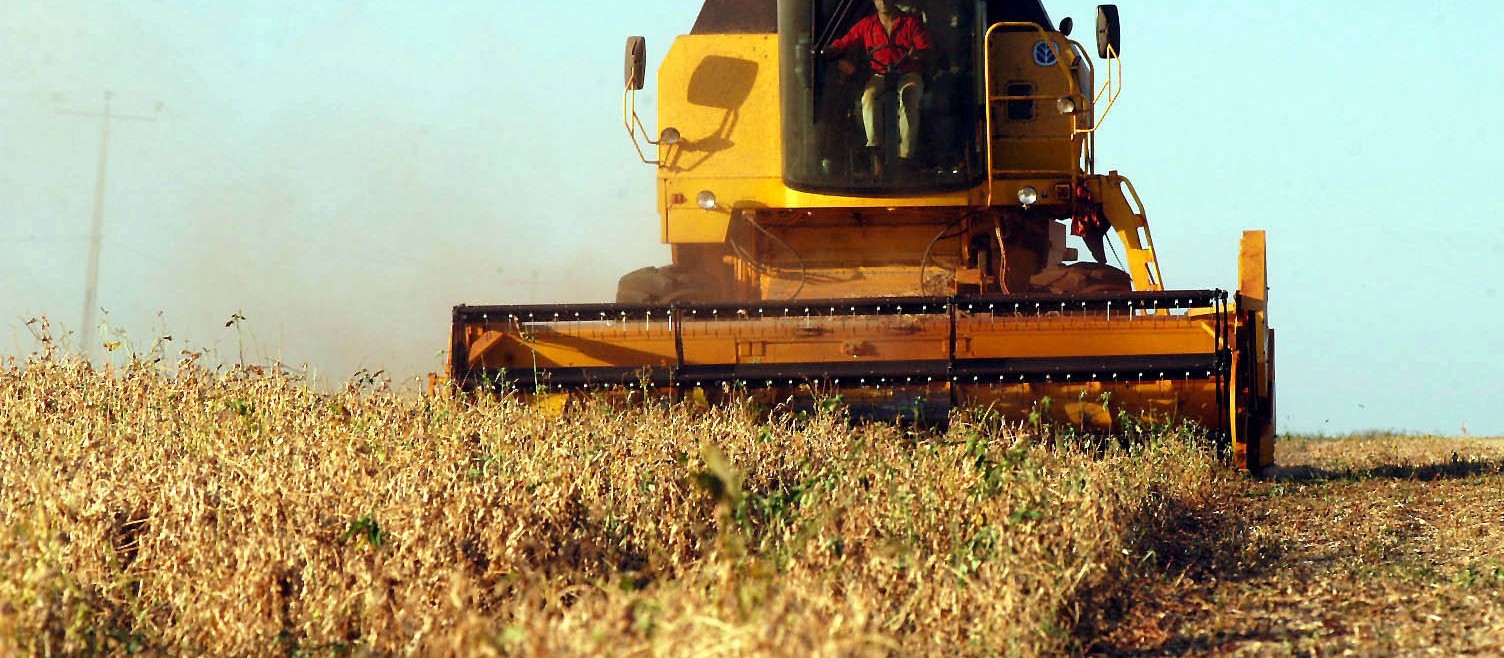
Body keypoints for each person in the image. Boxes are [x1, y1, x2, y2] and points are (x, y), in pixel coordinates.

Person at [823, 0, 934, 170]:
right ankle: (876, 153)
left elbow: (926, 50)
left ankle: (906, 158)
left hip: (907, 73)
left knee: (909, 96)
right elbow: (847, 41)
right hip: (880, 75)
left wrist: (916, 54)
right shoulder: (867, 25)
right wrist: (831, 50)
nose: (883, 2)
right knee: (868, 97)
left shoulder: (911, 23)